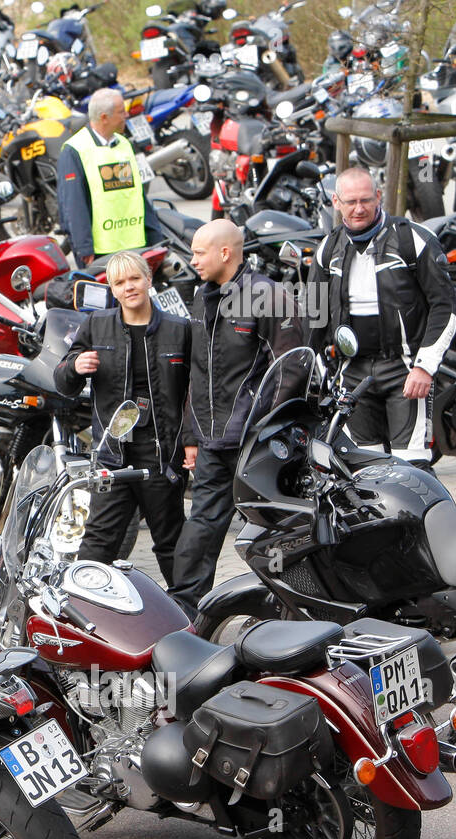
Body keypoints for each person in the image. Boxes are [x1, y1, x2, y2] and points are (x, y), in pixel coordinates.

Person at [170, 220, 302, 615]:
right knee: (199, 533)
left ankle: (292, 611)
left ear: (225, 253)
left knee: (275, 532)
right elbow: (197, 372)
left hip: (258, 445)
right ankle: (184, 619)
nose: (192, 260)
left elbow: (290, 370)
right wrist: (192, 436)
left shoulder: (269, 296)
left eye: (198, 252)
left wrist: (261, 430)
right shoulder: (201, 297)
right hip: (213, 444)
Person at [54, 250, 191, 584]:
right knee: (98, 542)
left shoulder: (179, 329)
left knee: (171, 542)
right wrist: (74, 366)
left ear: (148, 280)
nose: (129, 287)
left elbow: (194, 394)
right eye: (120, 282)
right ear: (112, 290)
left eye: (134, 278)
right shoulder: (97, 326)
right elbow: (62, 382)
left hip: (161, 454)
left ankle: (192, 617)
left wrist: (190, 442)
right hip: (113, 454)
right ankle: (82, 609)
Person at [306, 167, 456, 465]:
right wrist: (317, 370)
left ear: (378, 196)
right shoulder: (328, 249)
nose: (359, 208)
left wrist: (425, 367)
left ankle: (431, 513)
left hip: (404, 369)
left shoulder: (412, 239)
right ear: (336, 202)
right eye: (350, 202)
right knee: (366, 469)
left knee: (411, 467)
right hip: (352, 372)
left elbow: (445, 306)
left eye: (366, 200)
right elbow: (315, 316)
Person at [58, 87, 164, 267]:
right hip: (101, 252)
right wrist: (84, 248)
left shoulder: (124, 144)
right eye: (121, 112)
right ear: (104, 117)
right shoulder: (75, 150)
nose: (126, 116)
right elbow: (73, 204)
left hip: (135, 244)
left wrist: (155, 235)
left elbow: (138, 195)